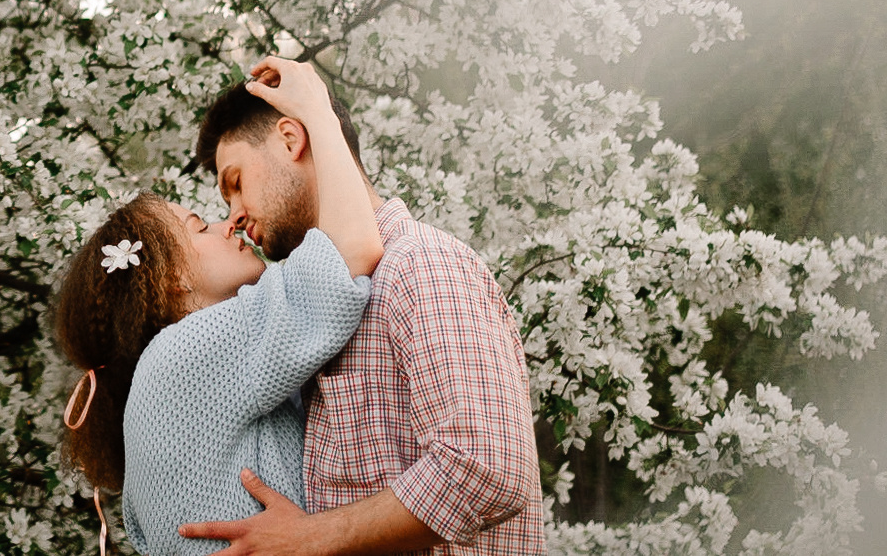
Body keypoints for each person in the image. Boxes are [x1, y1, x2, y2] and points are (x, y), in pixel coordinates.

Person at [178, 60, 543, 556]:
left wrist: (311, 537)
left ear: (291, 139)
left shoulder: (421, 264)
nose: (234, 217)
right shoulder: (314, 308)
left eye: (236, 181)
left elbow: (489, 466)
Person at [53, 60, 383, 556]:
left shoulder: (169, 377)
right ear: (171, 280)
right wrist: (318, 112)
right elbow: (351, 251)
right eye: (198, 227)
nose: (227, 224)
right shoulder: (186, 354)